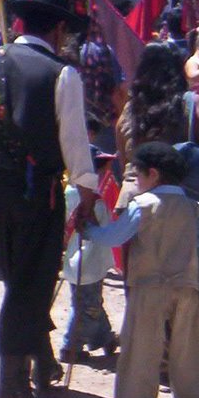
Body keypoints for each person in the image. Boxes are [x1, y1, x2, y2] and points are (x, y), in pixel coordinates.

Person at [0, 0, 99, 398]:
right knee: (32, 283)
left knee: (19, 278)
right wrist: (86, 191)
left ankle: (39, 364)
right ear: (59, 28)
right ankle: (11, 380)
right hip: (37, 192)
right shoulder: (60, 73)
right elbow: (74, 141)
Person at [83, 142, 199, 398]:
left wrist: (89, 230)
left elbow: (115, 237)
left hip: (148, 286)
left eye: (138, 175)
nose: (136, 181)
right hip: (187, 287)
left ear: (153, 174)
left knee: (140, 346)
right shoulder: (195, 209)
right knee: (191, 347)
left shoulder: (141, 206)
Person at [118, 43, 199, 354]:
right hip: (182, 207)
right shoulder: (192, 105)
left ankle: (147, 354)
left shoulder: (130, 111)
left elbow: (123, 162)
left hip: (134, 203)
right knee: (184, 283)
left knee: (140, 284)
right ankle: (177, 355)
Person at [59, 149, 120, 362]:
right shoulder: (96, 203)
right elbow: (104, 232)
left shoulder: (67, 194)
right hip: (89, 264)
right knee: (88, 307)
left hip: (75, 262)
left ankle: (104, 338)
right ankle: (71, 346)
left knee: (88, 302)